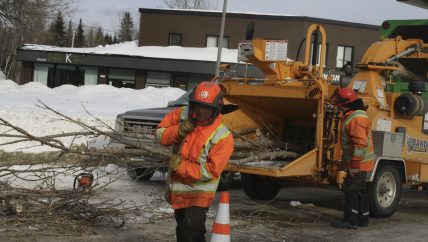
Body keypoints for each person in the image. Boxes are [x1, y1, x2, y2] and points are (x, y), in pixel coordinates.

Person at [155, 81, 234, 242]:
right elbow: (159, 135)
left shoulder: (223, 136)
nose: (200, 112)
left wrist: (180, 166)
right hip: (178, 189)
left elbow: (211, 171)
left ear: (215, 110)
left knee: (192, 232)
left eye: (206, 108)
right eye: (197, 106)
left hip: (199, 191)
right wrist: (178, 130)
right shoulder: (182, 114)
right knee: (183, 230)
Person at [331, 87, 375, 229]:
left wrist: (354, 165)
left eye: (338, 100)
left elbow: (360, 143)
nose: (336, 103)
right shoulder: (355, 115)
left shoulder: (355, 118)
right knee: (360, 190)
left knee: (350, 189)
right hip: (362, 163)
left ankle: (351, 220)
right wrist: (345, 161)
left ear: (345, 103)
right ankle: (363, 219)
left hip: (359, 164)